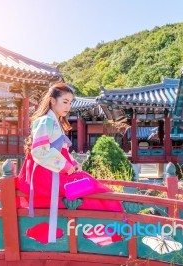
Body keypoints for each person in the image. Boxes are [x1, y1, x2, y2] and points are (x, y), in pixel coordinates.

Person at [16, 82, 123, 243]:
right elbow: (39, 151)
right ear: (52, 101)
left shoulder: (55, 122)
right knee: (91, 187)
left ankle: (102, 234)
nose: (69, 106)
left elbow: (62, 152)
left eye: (71, 102)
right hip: (47, 176)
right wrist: (66, 166)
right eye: (65, 102)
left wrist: (73, 164)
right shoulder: (45, 121)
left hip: (55, 172)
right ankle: (107, 235)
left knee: (92, 187)